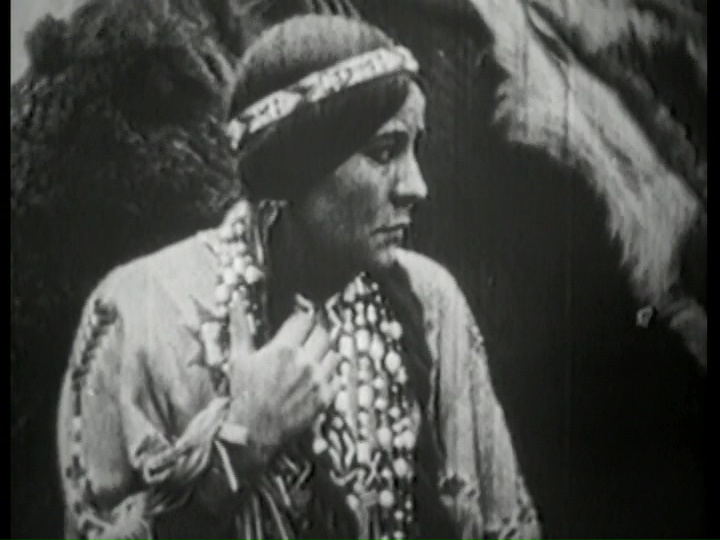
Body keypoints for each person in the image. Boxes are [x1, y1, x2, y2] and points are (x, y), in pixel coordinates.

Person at [56, 14, 541, 540]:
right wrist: (241, 442)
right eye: (384, 152)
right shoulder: (141, 310)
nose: (415, 187)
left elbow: (507, 524)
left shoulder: (432, 301)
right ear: (296, 165)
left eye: (414, 149)